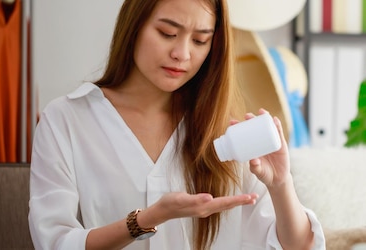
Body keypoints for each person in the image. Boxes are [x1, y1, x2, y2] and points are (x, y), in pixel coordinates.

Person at [27, 0, 325, 249]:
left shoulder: (225, 132)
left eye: (200, 40)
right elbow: (54, 242)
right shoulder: (66, 120)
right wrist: (146, 220)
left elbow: (297, 246)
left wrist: (281, 185)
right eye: (168, 33)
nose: (182, 54)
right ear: (134, 26)